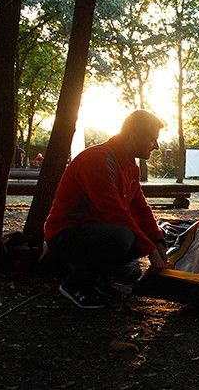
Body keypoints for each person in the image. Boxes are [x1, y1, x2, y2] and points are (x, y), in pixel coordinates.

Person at [44, 110, 168, 309]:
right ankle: (75, 284)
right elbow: (114, 214)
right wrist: (151, 251)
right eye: (153, 139)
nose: (157, 146)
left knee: (133, 238)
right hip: (64, 236)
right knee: (123, 237)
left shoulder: (130, 165)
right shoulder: (97, 161)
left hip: (94, 232)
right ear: (134, 138)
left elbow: (140, 209)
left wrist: (158, 241)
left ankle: (95, 278)